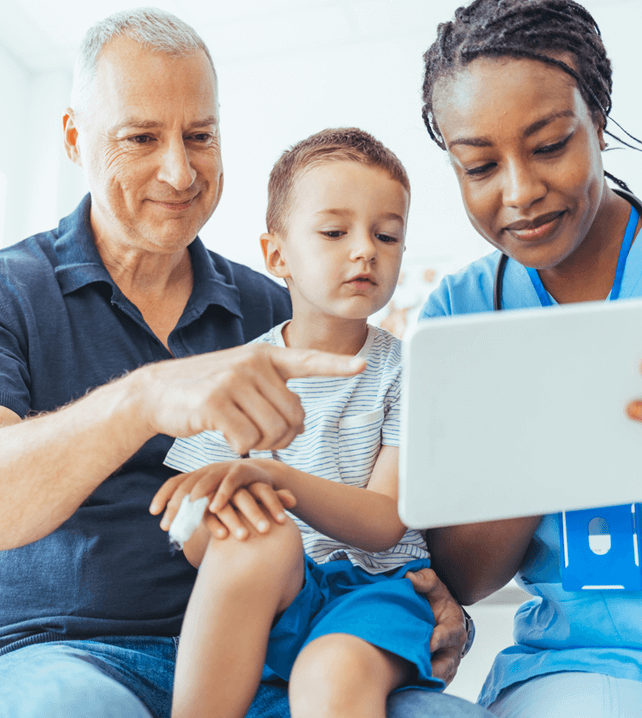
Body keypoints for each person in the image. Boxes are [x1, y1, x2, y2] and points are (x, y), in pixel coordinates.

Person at [0, 8, 476, 718]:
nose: (179, 169)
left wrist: (440, 600)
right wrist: (143, 398)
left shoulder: (281, 312)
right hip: (77, 652)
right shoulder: (14, 292)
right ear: (75, 138)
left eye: (200, 136)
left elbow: (376, 509)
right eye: (141, 137)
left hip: (284, 645)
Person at [150, 127, 480, 718]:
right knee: (255, 539)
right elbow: (196, 539)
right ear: (277, 255)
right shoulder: (231, 375)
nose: (365, 250)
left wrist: (273, 484)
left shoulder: (409, 371)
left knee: (329, 675)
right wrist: (212, 514)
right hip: (280, 594)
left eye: (387, 235)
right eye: (334, 232)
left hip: (379, 594)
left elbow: (384, 524)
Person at [418, 1, 642, 716]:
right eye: (479, 165)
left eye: (549, 146)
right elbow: (464, 575)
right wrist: (552, 434)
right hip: (568, 667)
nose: (518, 192)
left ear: (598, 121)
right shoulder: (460, 316)